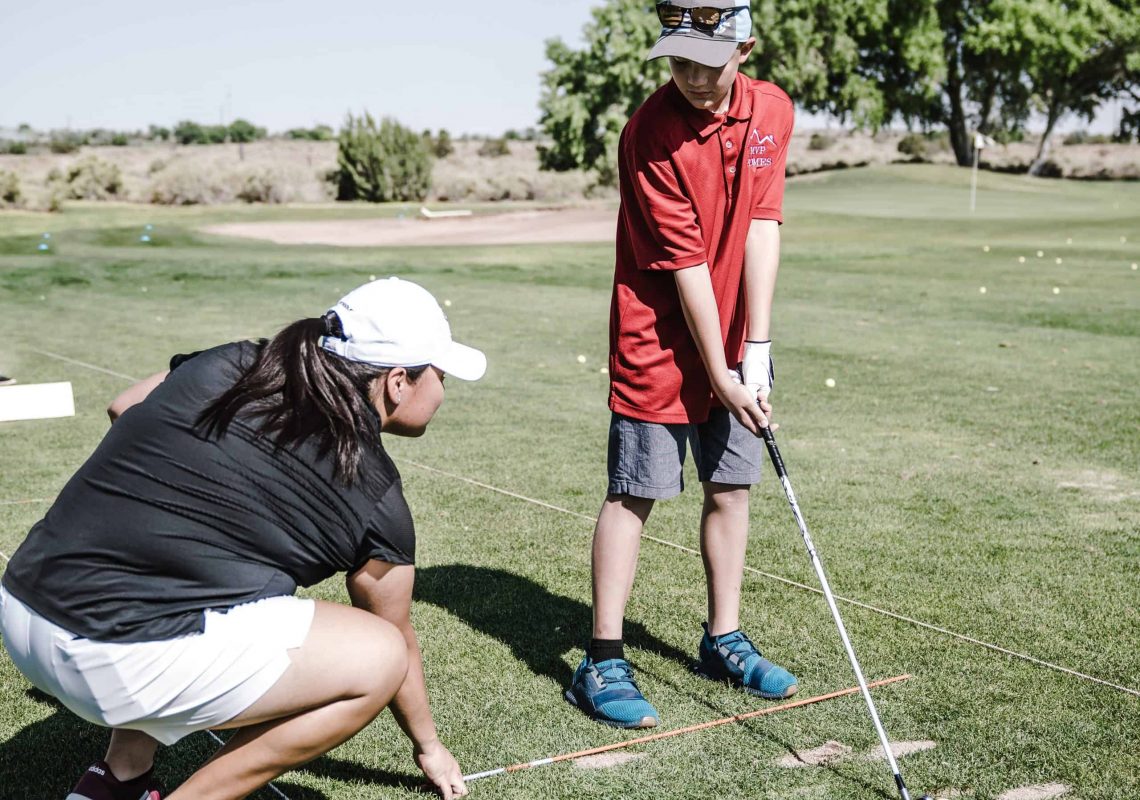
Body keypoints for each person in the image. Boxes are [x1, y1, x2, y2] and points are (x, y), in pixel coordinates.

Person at [0, 277, 484, 800]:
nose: (444, 388)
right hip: (112, 656)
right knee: (380, 656)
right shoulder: (375, 492)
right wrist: (429, 746)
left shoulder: (237, 359)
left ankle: (117, 780)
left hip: (23, 606)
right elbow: (398, 640)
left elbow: (125, 406)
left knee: (205, 585)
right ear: (396, 381)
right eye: (440, 374)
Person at [564, 1, 799, 728]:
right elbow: (687, 266)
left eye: (709, 61)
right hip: (657, 337)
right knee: (636, 491)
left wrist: (753, 352)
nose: (693, 77)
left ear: (745, 47)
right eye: (678, 60)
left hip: (731, 338)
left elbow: (763, 224)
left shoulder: (773, 111)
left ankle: (722, 638)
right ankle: (601, 657)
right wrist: (720, 374)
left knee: (731, 486)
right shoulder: (650, 132)